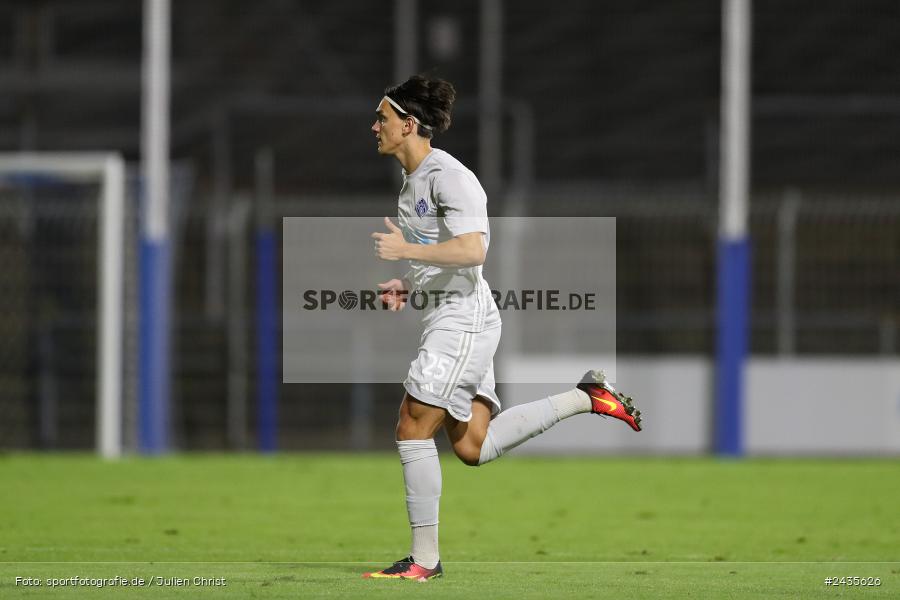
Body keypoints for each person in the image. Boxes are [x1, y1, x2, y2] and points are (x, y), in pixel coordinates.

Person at [363, 75, 642, 582]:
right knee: (472, 446)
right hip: (452, 315)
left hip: (463, 320)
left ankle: (424, 561)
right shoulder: (413, 185)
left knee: (411, 423)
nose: (374, 126)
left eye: (382, 118)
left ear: (408, 124)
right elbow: (445, 259)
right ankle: (587, 397)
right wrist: (409, 283)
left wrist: (405, 251)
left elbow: (473, 251)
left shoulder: (451, 177)